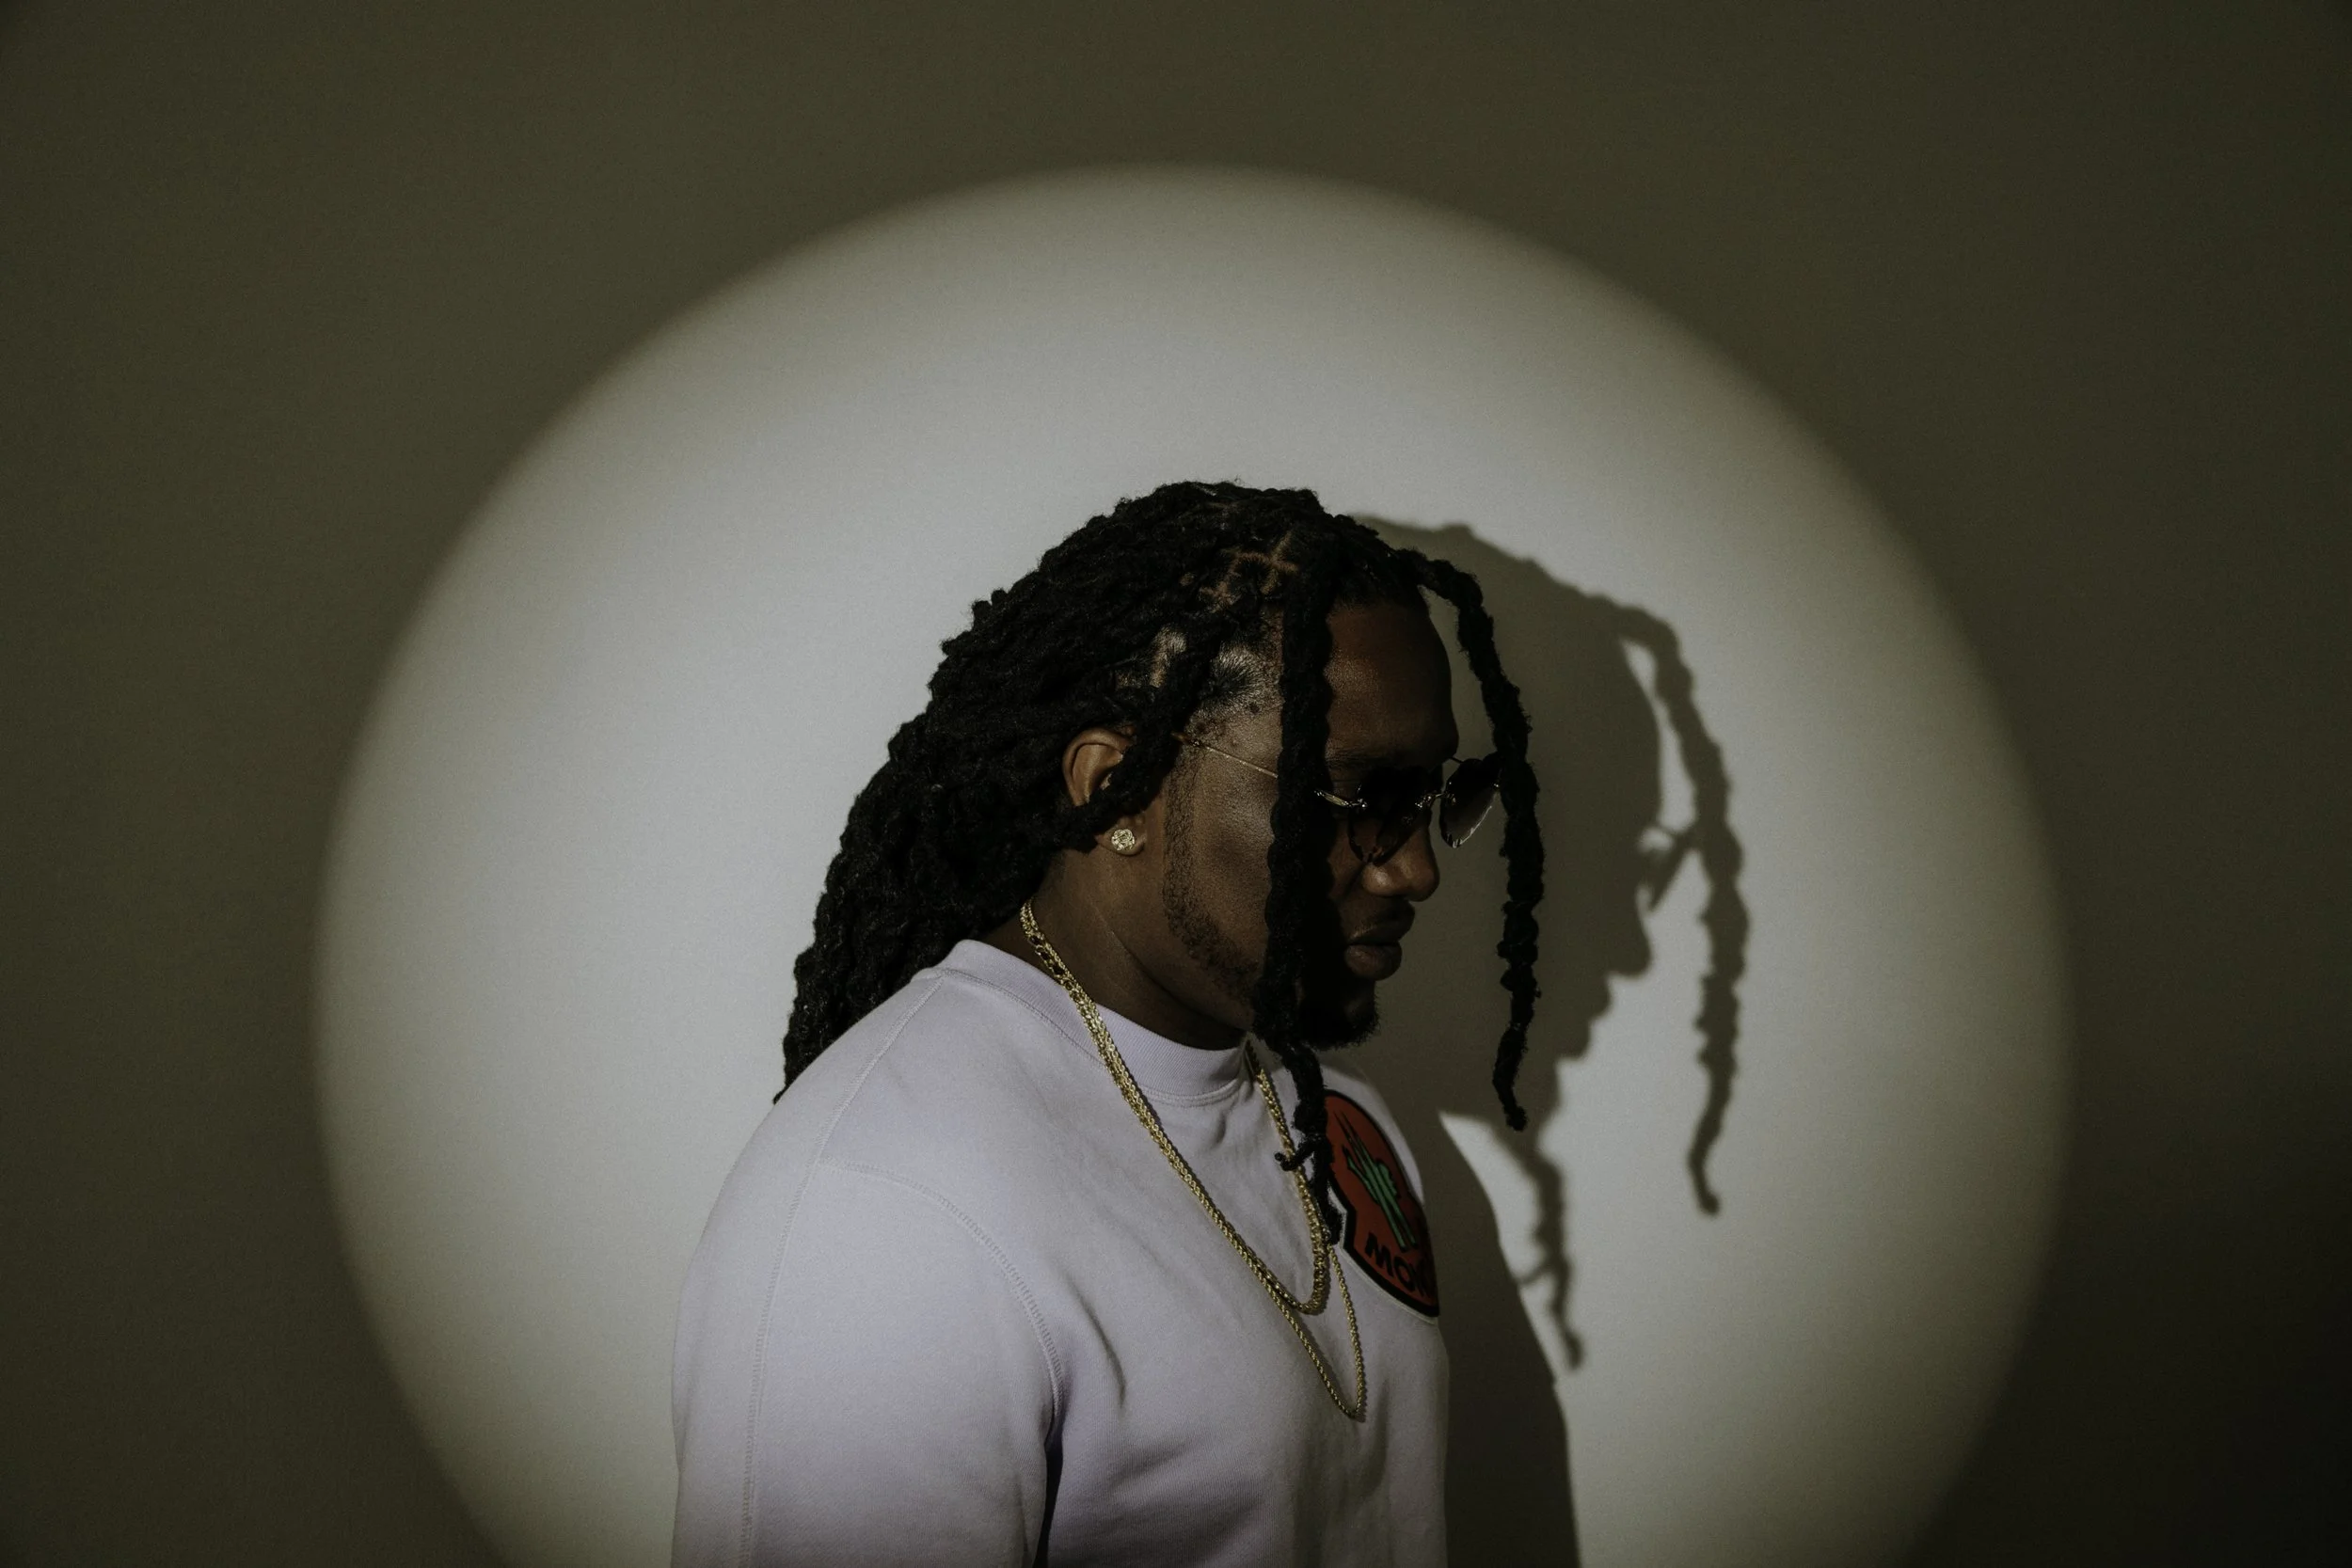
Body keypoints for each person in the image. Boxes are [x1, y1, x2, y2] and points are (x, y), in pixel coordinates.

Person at [672, 482, 1547, 1567]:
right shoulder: (891, 1204)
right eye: (1355, 796)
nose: (1412, 865)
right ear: (1116, 791)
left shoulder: (1339, 1121)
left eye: (1432, 800)